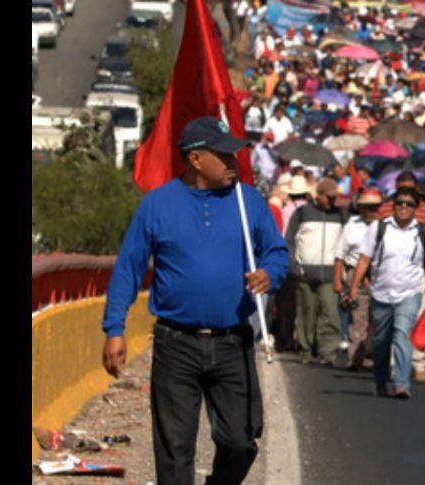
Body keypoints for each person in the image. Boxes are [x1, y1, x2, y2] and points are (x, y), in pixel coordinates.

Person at [101, 116, 289, 485]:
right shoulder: (157, 205)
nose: (235, 163)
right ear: (197, 159)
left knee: (241, 438)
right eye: (225, 156)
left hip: (233, 341)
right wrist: (114, 329)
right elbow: (128, 269)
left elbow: (277, 253)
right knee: (174, 450)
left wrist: (270, 272)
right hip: (176, 344)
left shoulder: (247, 200)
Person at [349, 186, 425, 399]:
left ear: (416, 208)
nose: (403, 207)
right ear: (393, 205)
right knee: (381, 340)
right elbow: (364, 259)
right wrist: (353, 287)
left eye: (409, 204)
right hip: (381, 293)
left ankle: (402, 383)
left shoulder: (424, 233)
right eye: (400, 203)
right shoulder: (379, 228)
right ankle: (380, 380)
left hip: (410, 292)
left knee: (403, 335)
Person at [285, 178, 348, 364]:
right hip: (305, 273)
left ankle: (327, 351)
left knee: (329, 312)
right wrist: (295, 268)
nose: (332, 201)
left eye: (334, 198)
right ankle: (306, 350)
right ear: (318, 195)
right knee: (306, 312)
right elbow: (290, 240)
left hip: (330, 274)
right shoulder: (302, 213)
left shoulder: (341, 215)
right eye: (328, 197)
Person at [333, 188, 384, 370]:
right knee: (358, 318)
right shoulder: (351, 226)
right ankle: (355, 357)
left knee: (377, 320)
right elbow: (340, 255)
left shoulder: (385, 226)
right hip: (355, 272)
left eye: (373, 207)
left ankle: (371, 355)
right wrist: (338, 281)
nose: (369, 211)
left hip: (380, 275)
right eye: (365, 207)